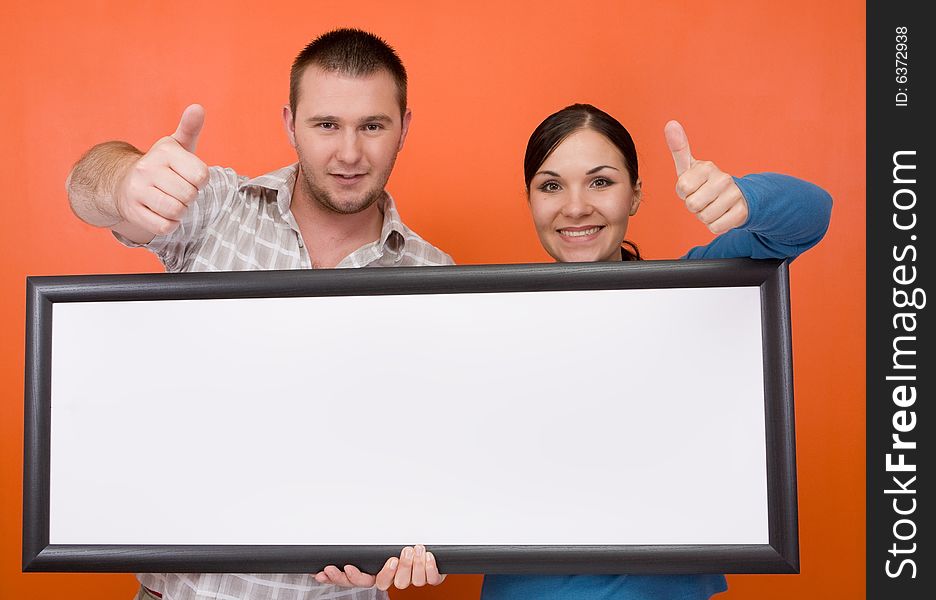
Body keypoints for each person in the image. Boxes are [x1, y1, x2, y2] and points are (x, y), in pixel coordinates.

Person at [66, 28, 449, 600]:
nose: (349, 153)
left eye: (372, 125)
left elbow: (435, 464)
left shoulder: (438, 281)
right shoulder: (218, 207)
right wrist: (123, 182)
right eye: (326, 125)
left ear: (405, 128)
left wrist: (429, 545)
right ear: (290, 123)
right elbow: (84, 187)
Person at [472, 103, 832, 599]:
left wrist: (744, 198)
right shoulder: (485, 332)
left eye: (601, 182)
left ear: (636, 194)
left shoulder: (690, 296)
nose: (575, 207)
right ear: (530, 200)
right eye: (551, 185)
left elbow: (811, 215)